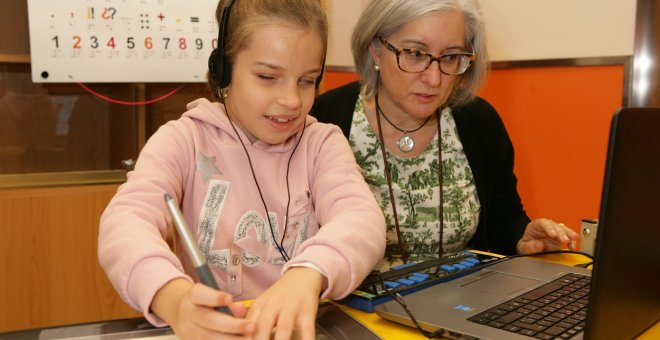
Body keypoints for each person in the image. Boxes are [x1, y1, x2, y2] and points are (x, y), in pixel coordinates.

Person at [98, 0, 386, 339]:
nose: (292, 100)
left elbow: (361, 218)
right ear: (224, 69)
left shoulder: (321, 143)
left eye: (307, 81)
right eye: (267, 77)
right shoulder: (184, 139)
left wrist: (308, 273)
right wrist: (173, 298)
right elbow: (125, 222)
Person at [312, 0, 579, 270]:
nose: (434, 79)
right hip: (354, 306)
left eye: (450, 57)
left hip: (460, 305)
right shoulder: (324, 118)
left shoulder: (478, 121)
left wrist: (523, 238)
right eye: (415, 53)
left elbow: (504, 221)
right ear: (376, 49)